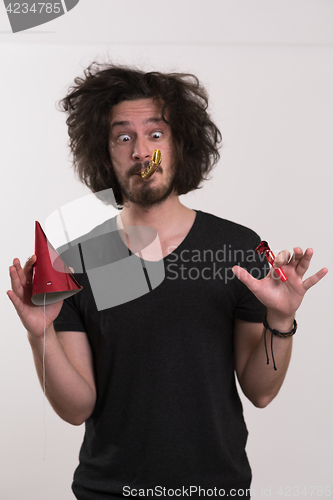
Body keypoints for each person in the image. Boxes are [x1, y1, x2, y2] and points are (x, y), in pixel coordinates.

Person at [7, 63, 328, 500]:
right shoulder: (79, 261)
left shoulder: (236, 248)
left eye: (155, 134)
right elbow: (76, 408)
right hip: (108, 492)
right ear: (105, 153)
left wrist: (280, 319)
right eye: (124, 137)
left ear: (180, 144)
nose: (142, 152)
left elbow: (261, 392)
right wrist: (40, 335)